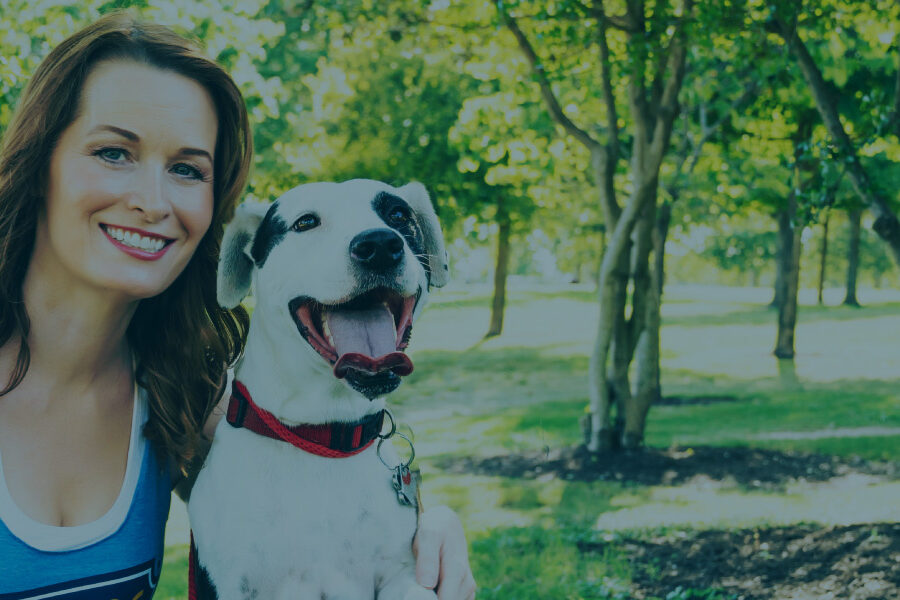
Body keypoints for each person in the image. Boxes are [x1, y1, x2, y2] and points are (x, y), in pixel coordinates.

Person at [0, 12, 475, 599]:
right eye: (113, 153)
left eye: (185, 169)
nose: (152, 201)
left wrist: (431, 526)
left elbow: (315, 492)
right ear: (40, 162)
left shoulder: (185, 397)